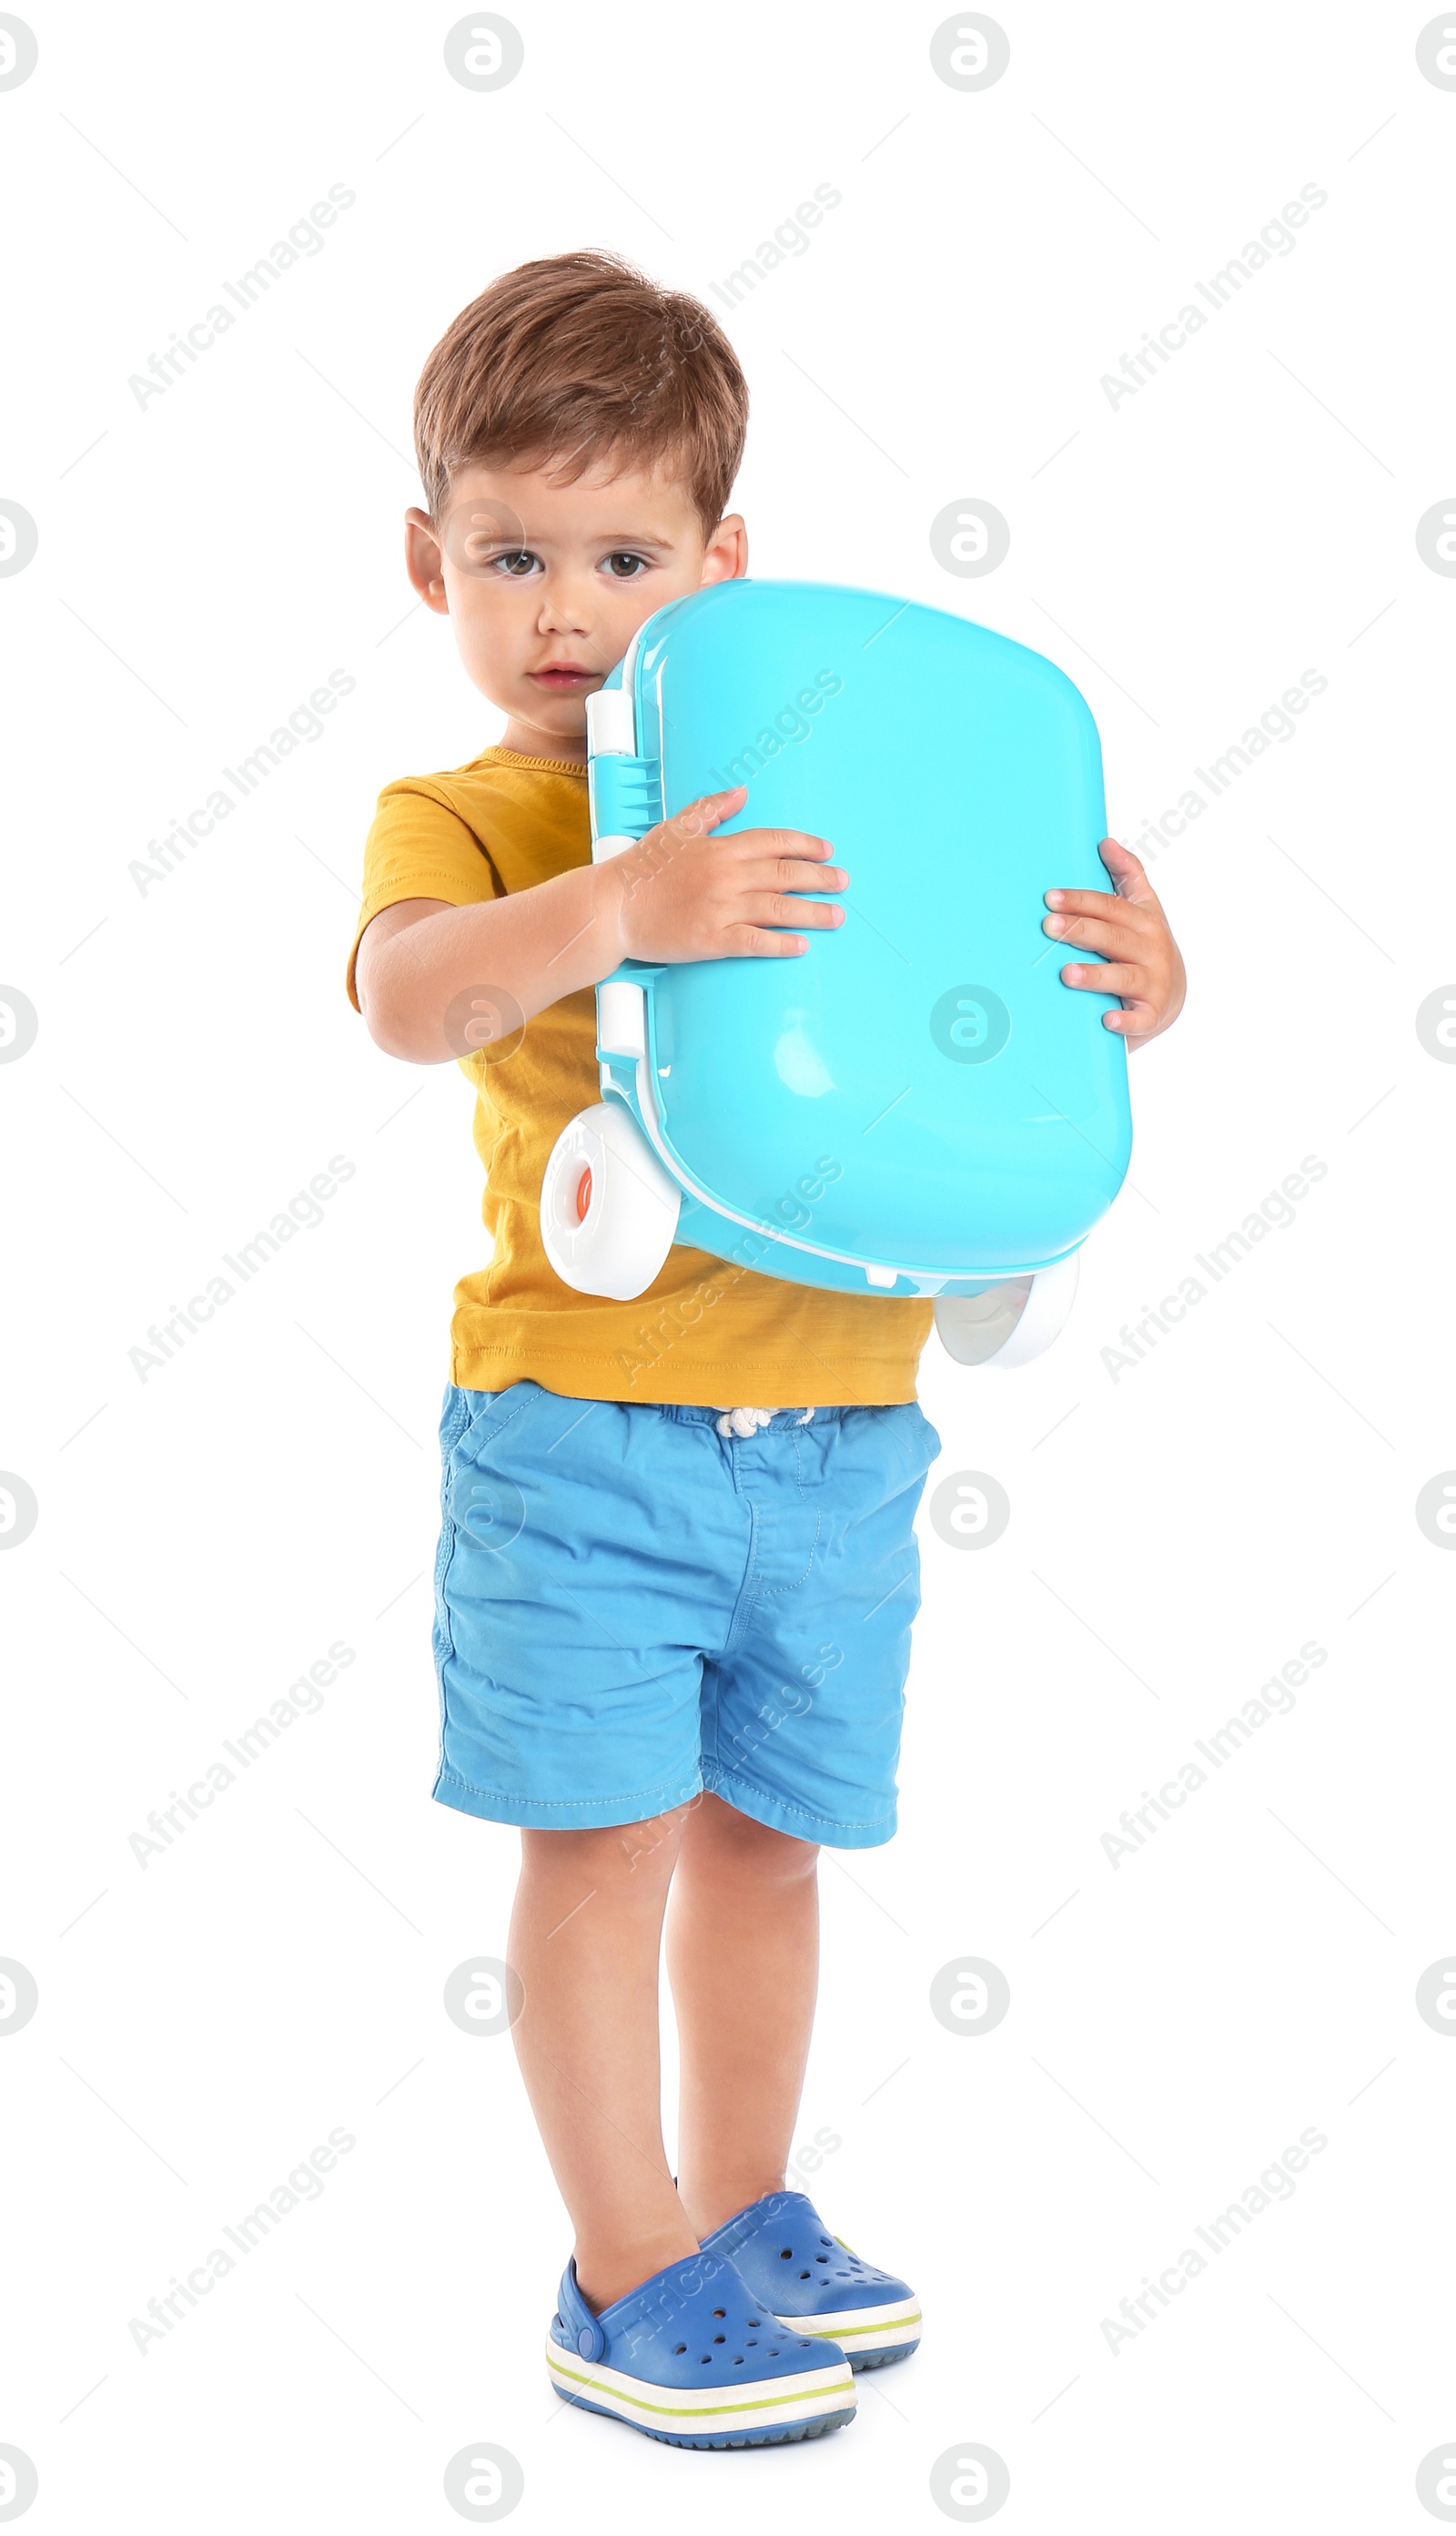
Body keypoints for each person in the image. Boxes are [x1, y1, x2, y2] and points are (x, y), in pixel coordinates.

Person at [349, 250, 1186, 2450]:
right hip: (580, 1430)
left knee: (768, 1841)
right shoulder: (472, 815)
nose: (565, 609)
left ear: (720, 569)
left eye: (622, 558)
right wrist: (609, 914)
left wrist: (1131, 972)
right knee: (598, 1845)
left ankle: (740, 2208)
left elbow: (964, 997)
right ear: (429, 562)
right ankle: (618, 2269)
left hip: (834, 1431)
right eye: (512, 556)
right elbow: (403, 999)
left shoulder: (823, 779)